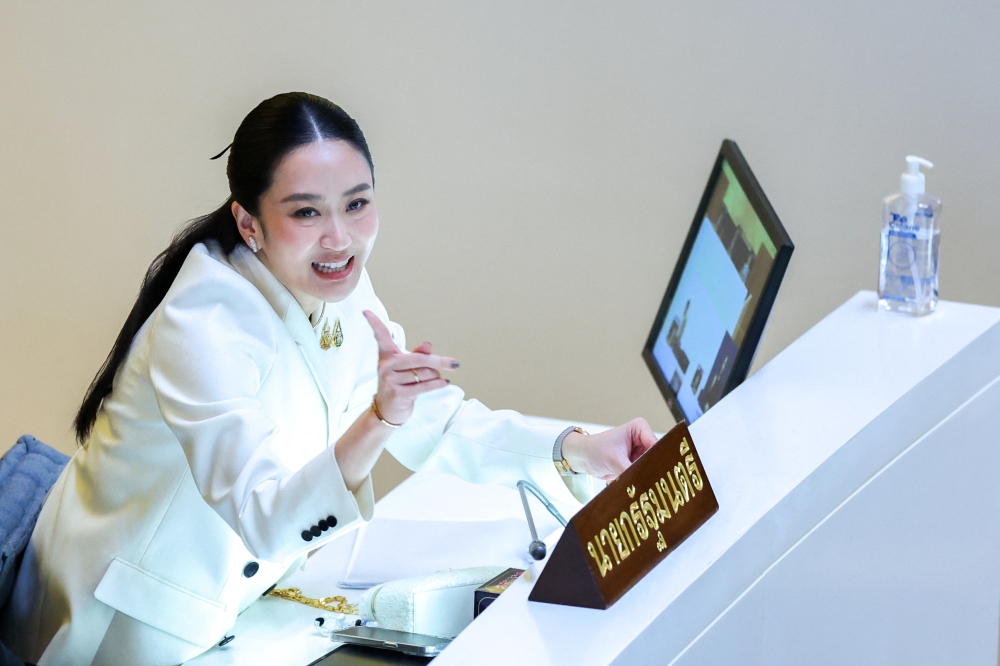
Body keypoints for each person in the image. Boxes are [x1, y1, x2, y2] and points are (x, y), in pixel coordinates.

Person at [0, 92, 657, 665]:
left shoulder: (333, 277)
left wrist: (577, 446)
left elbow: (429, 416)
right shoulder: (202, 327)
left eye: (357, 204)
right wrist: (378, 420)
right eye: (307, 212)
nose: (340, 238)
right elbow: (262, 513)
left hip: (238, 604)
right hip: (126, 632)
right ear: (248, 222)